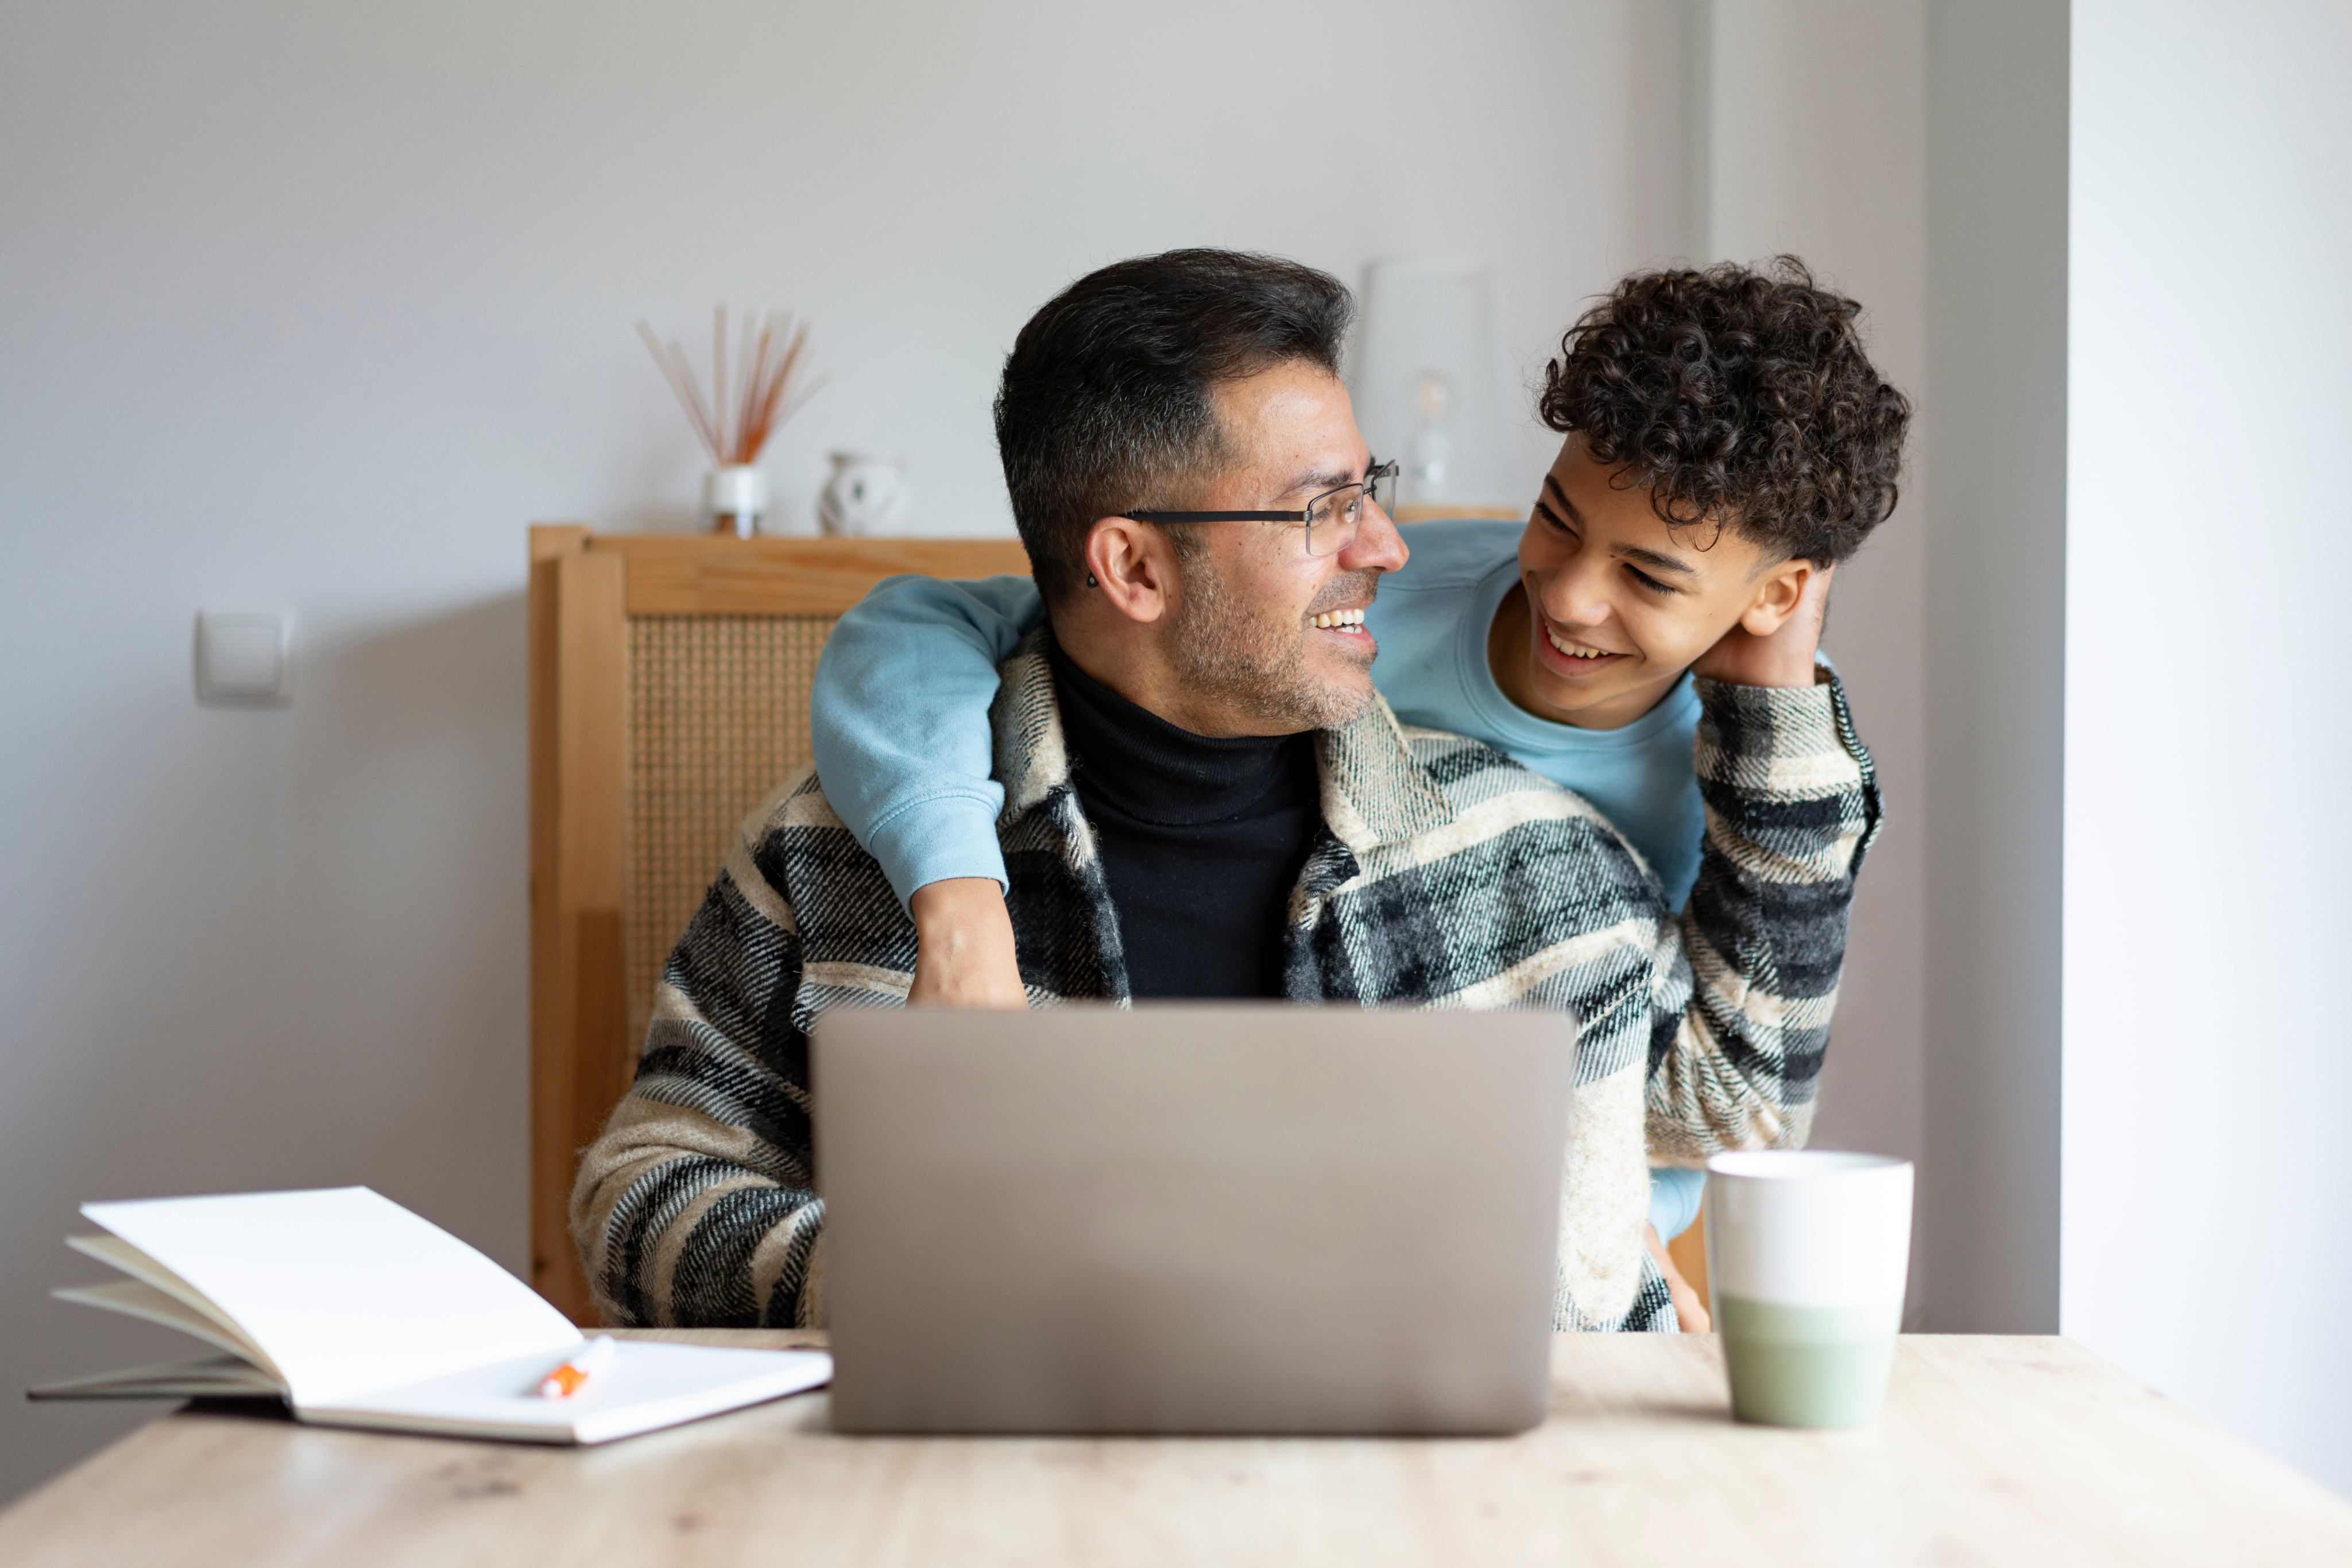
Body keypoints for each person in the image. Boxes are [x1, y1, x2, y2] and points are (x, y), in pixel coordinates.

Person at [571, 249, 1883, 1334]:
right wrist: (892, 1282)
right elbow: (640, 1193)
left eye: (1371, 491)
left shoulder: (1545, 868)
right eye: (1323, 509)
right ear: (1133, 570)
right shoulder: (837, 849)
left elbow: (1713, 1128)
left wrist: (1610, 1270)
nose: (1387, 547)